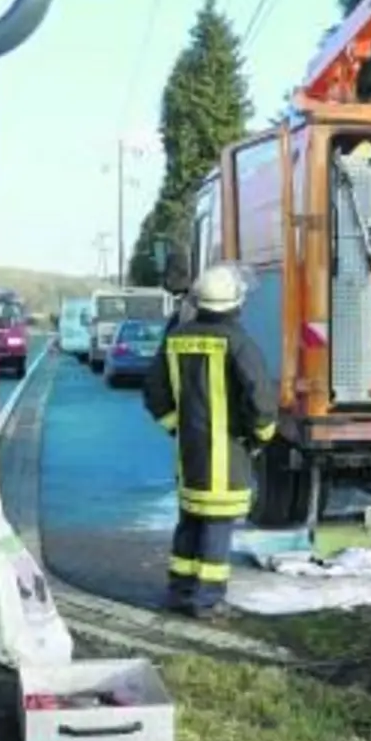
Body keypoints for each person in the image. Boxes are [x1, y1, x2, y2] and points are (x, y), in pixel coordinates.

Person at [142, 262, 277, 619]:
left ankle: (180, 592)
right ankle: (208, 601)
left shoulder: (176, 338)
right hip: (228, 452)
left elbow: (154, 390)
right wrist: (261, 435)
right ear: (235, 302)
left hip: (189, 452)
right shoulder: (238, 342)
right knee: (217, 525)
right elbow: (260, 397)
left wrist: (176, 426)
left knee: (190, 520)